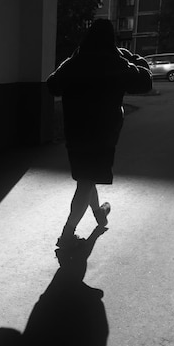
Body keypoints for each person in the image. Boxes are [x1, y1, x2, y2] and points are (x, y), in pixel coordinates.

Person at [47, 18, 152, 249]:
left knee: (87, 176)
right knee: (86, 180)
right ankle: (67, 233)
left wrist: (74, 58)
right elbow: (145, 81)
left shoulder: (75, 62)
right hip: (103, 134)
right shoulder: (116, 63)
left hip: (75, 133)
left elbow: (52, 84)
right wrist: (132, 57)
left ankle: (99, 214)